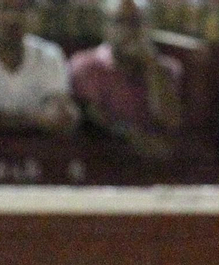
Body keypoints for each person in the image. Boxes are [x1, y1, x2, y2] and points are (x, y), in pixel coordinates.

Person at [69, 0, 182, 157]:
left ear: (148, 26)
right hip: (101, 155)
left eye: (135, 22)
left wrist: (152, 67)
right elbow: (93, 117)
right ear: (105, 27)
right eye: (119, 21)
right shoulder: (86, 65)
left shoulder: (167, 68)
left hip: (153, 160)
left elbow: (170, 121)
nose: (128, 30)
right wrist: (134, 137)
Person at [0, 0, 78, 135]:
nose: (13, 18)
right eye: (4, 8)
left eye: (22, 9)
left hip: (37, 150)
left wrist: (61, 114)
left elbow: (60, 110)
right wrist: (36, 119)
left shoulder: (50, 55)